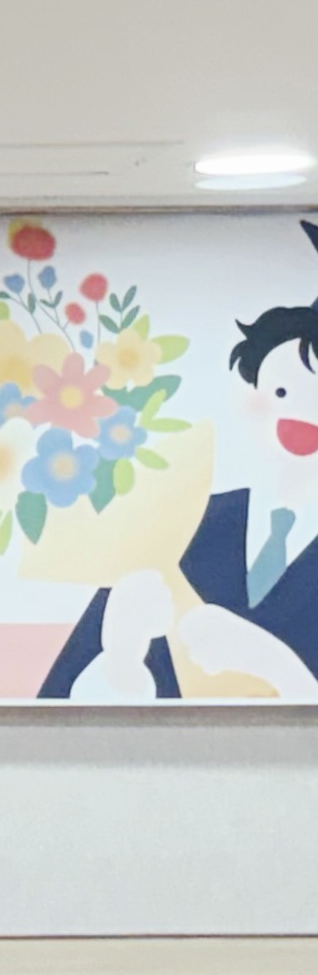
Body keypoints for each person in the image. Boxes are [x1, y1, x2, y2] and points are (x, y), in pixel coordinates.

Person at [44, 285, 318, 697]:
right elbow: (58, 699)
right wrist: (121, 657)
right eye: (282, 391)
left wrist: (279, 668)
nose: (300, 413)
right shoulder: (186, 521)